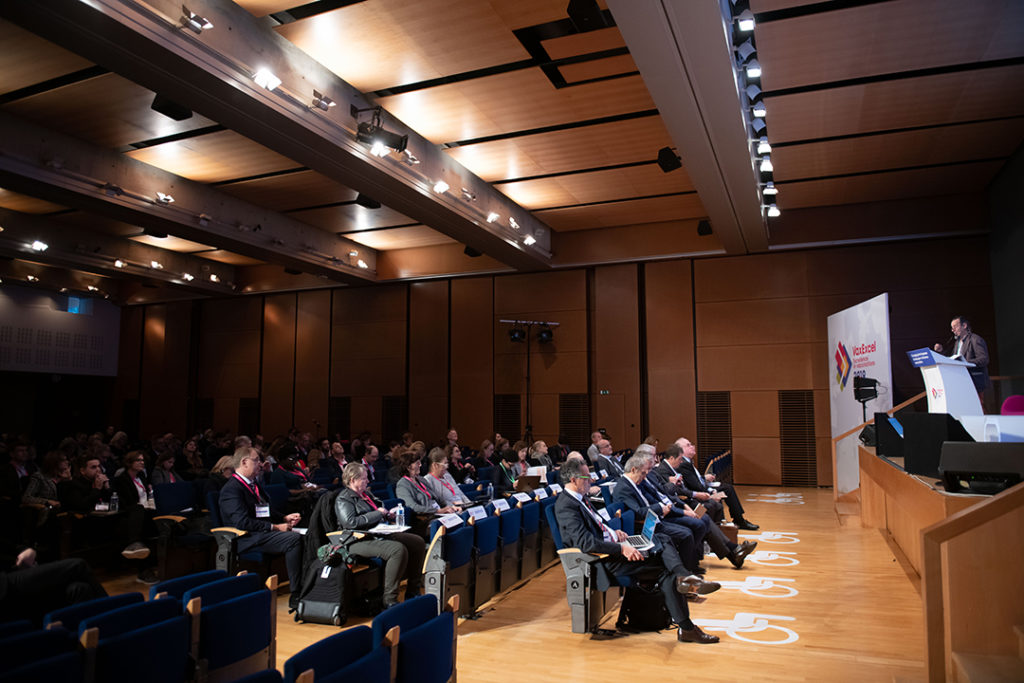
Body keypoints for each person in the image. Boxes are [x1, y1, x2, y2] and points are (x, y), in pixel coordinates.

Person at [554, 458, 720, 644]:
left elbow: (598, 527)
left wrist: (613, 532)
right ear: (574, 479)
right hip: (600, 561)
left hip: (612, 550)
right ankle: (686, 616)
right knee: (666, 568)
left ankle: (683, 585)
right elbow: (586, 543)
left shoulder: (580, 498)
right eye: (587, 477)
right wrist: (621, 548)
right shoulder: (566, 505)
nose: (591, 481)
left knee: (661, 540)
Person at [219, 447, 304, 608]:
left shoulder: (253, 484)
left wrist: (284, 518)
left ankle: (306, 586)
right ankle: (296, 594)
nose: (260, 464)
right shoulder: (231, 489)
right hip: (246, 537)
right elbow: (242, 522)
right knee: (293, 539)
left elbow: (266, 509)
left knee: (306, 535)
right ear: (244, 462)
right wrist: (275, 527)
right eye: (256, 460)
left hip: (262, 533)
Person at [335, 463, 425, 608]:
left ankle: (413, 591)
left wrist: (388, 515)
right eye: (364, 479)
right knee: (397, 550)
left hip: (377, 532)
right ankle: (390, 600)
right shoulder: (343, 499)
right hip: (356, 540)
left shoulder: (366, 494)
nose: (367, 481)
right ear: (352, 480)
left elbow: (378, 513)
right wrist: (378, 513)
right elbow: (350, 523)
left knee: (418, 542)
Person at [0, 546, 107, 626]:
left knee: (80, 589)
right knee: (78, 566)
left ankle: (80, 644)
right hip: (5, 586)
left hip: (10, 577)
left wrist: (23, 550)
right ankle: (111, 616)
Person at [672, 438, 758, 531]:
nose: (693, 447)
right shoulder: (683, 464)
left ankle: (737, 520)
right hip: (695, 496)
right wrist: (711, 492)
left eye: (691, 444)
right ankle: (722, 525)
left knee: (728, 488)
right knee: (720, 494)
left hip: (699, 490)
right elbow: (695, 486)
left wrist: (704, 478)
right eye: (688, 445)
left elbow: (693, 479)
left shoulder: (687, 461)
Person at [934, 315, 990, 398]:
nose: (953, 330)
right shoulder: (957, 342)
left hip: (975, 382)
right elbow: (953, 359)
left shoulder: (975, 339)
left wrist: (965, 362)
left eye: (955, 327)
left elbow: (984, 359)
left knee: (977, 408)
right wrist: (941, 351)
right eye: (952, 328)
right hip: (962, 381)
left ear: (964, 326)